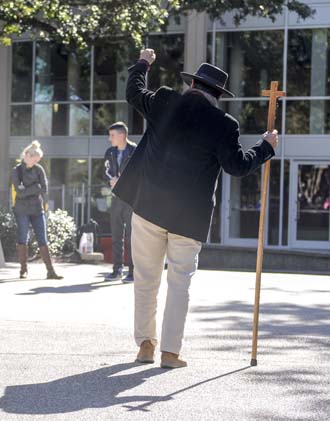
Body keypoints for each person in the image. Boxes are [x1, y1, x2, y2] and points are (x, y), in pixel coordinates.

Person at [114, 48, 279, 369]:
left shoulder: (164, 101)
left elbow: (132, 91)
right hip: (187, 220)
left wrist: (144, 63)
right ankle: (170, 353)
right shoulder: (224, 124)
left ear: (192, 85)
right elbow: (237, 166)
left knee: (146, 281)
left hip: (148, 207)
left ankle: (145, 346)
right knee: (179, 285)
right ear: (217, 95)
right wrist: (265, 147)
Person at [12, 140, 63, 280]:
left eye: (38, 160)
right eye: (35, 159)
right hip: (21, 209)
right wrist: (35, 188)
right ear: (28, 155)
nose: (36, 161)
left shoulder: (39, 169)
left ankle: (50, 271)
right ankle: (23, 270)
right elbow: (19, 193)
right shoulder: (16, 171)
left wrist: (28, 189)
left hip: (37, 209)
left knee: (43, 239)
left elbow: (44, 189)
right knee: (23, 237)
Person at [104, 121, 137, 282]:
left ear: (122, 135)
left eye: (112, 135)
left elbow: (140, 175)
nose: (110, 139)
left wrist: (121, 181)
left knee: (132, 237)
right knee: (116, 236)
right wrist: (110, 181)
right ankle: (117, 270)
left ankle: (132, 272)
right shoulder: (110, 152)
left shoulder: (135, 151)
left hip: (131, 201)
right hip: (116, 199)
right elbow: (106, 172)